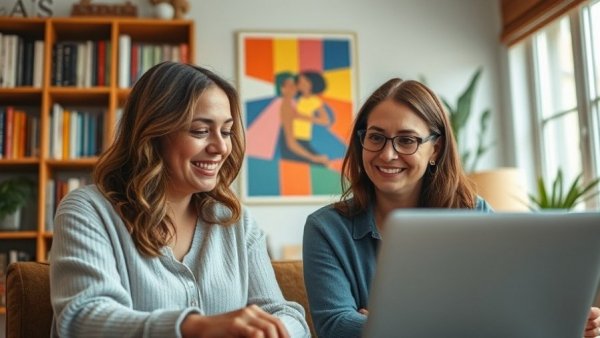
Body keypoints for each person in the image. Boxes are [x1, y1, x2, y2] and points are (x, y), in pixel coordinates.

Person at [301, 78, 600, 338]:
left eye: (407, 140)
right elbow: (336, 326)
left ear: (437, 149)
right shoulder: (326, 228)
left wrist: (565, 320)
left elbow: (507, 308)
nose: (388, 154)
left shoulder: (475, 214)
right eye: (376, 137)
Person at [49, 61, 309, 338]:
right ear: (153, 134)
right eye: (200, 131)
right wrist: (195, 327)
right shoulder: (87, 210)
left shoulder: (235, 221)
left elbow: (285, 314)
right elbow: (83, 319)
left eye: (226, 131)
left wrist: (272, 333)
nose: (220, 147)